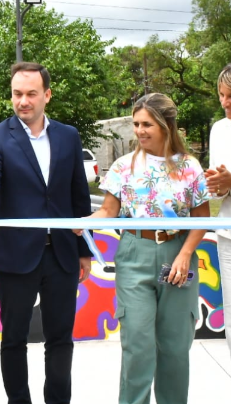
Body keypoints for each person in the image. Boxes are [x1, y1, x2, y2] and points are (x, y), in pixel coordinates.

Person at [80, 93, 210, 404]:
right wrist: (83, 221)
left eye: (147, 124)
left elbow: (202, 219)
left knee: (175, 347)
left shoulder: (190, 167)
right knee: (137, 345)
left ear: (167, 126)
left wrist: (185, 254)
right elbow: (108, 212)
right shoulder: (123, 167)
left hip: (178, 255)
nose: (139, 130)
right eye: (137, 124)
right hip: (134, 254)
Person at [0, 62, 92, 404]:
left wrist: (82, 250)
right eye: (16, 94)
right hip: (15, 255)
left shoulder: (68, 136)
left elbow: (78, 197)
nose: (22, 101)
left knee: (60, 339)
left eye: (30, 94)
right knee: (13, 339)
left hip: (62, 255)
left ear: (47, 95)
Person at [206, 63, 231, 357]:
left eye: (230, 96)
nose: (224, 102)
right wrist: (219, 185)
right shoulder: (220, 130)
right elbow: (219, 188)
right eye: (221, 95)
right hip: (227, 235)